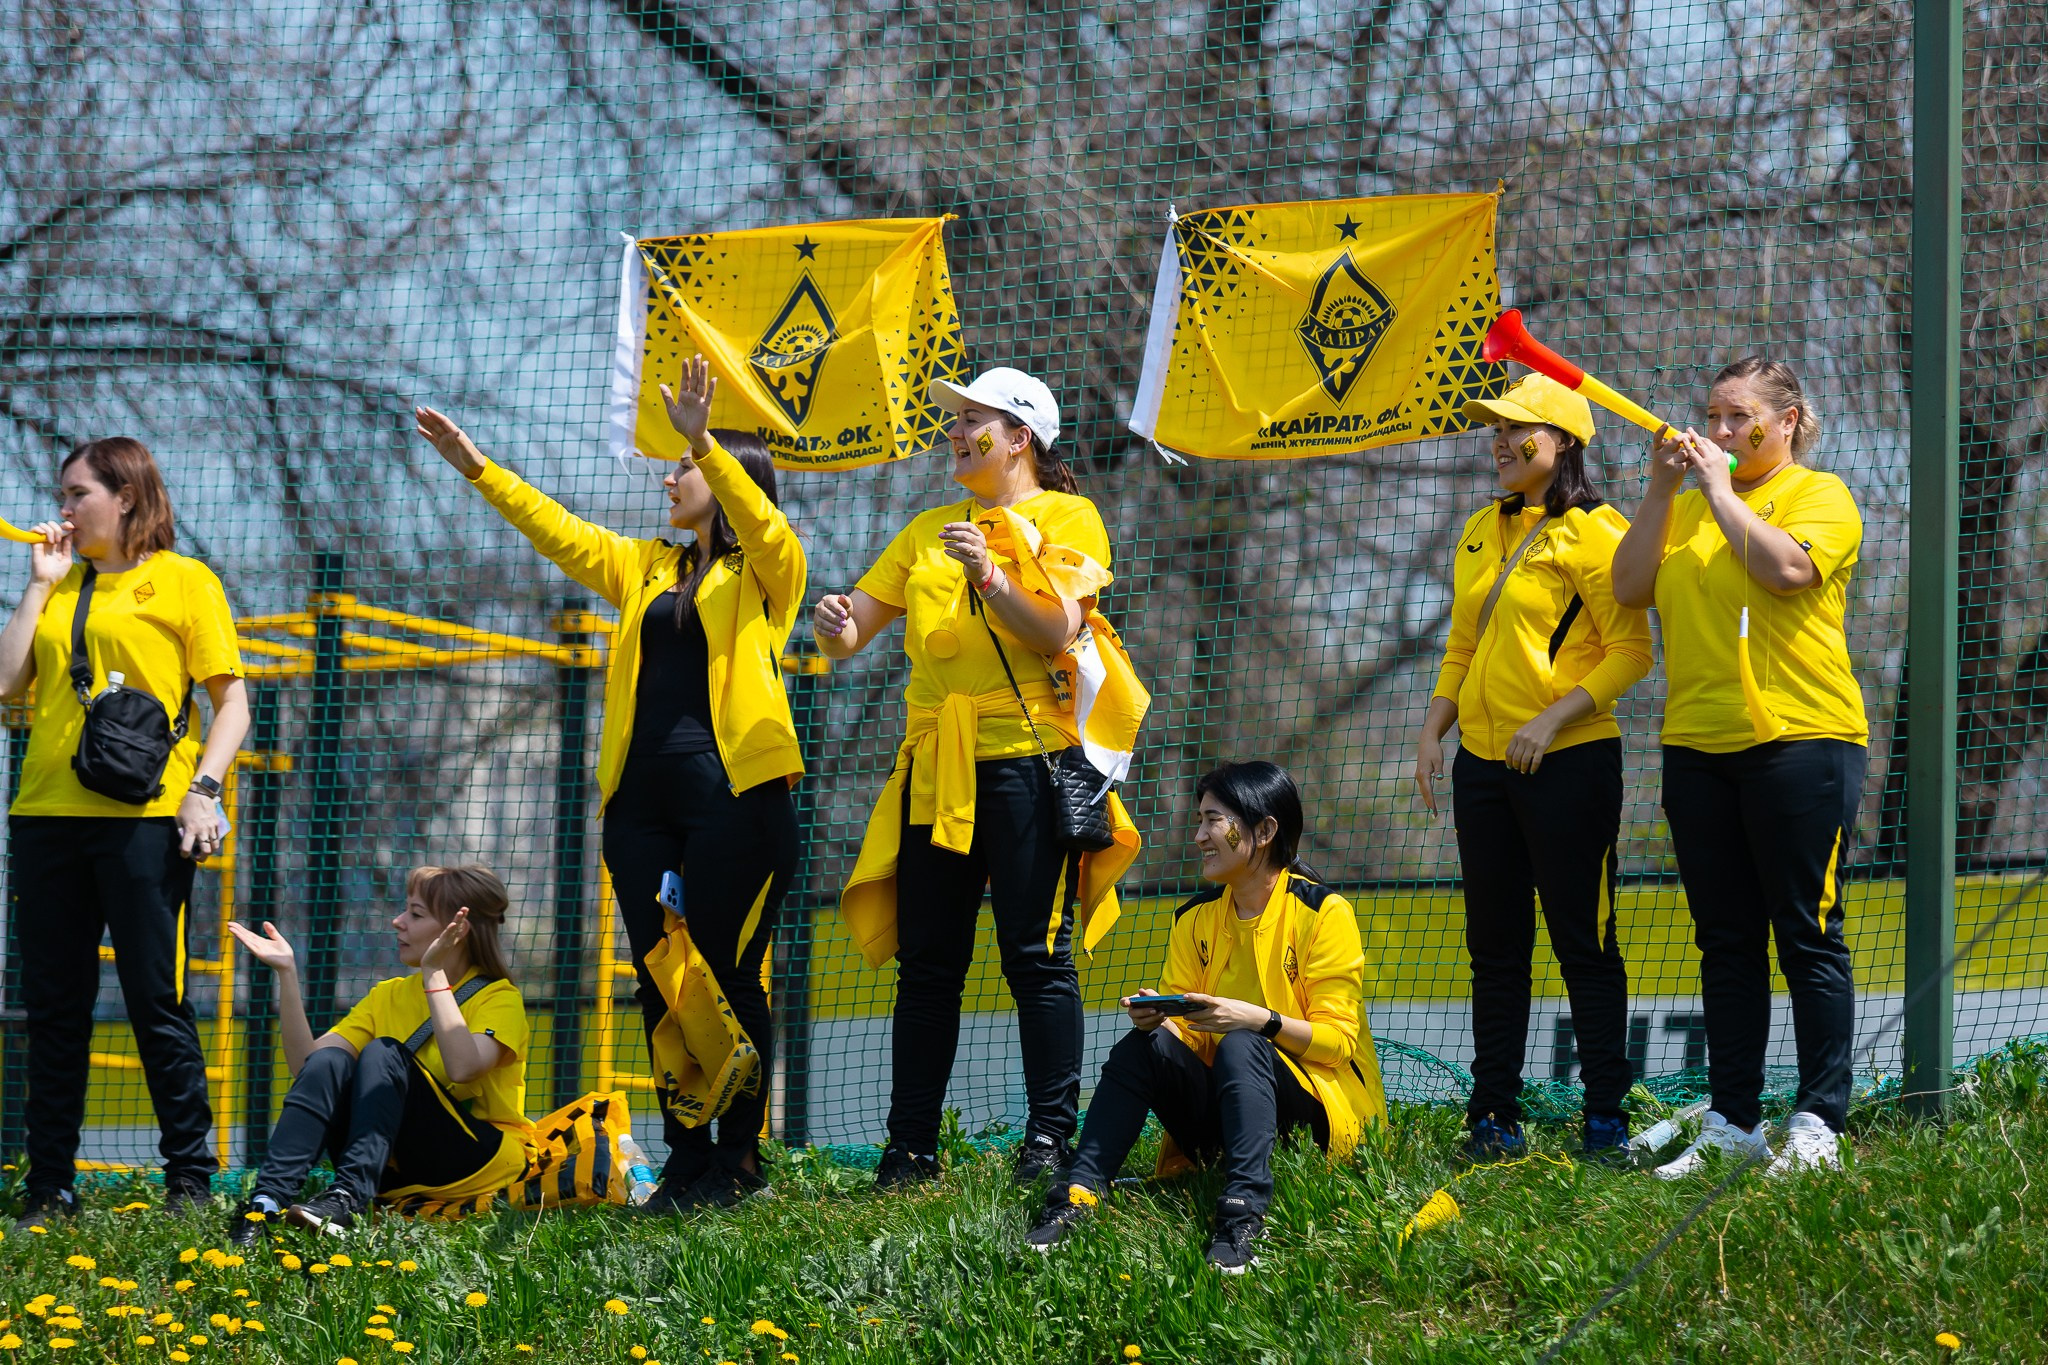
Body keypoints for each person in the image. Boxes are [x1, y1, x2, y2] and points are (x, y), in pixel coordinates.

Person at [413, 356, 803, 1212]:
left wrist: (709, 436)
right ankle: (687, 1159)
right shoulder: (644, 567)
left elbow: (768, 528)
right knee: (660, 980)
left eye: (684, 466)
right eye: (674, 462)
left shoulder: (768, 575)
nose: (670, 476)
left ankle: (739, 1163)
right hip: (640, 810)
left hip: (738, 803)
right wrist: (478, 469)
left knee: (729, 978)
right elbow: (556, 527)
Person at [815, 366, 1141, 1190]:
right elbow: (852, 632)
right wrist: (834, 621)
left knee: (1034, 955)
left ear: (1020, 436)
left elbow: (1056, 629)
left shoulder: (1070, 517)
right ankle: (910, 1149)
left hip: (1028, 766)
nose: (955, 432)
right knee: (929, 964)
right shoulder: (929, 526)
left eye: (973, 421)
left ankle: (1048, 1140)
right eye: (953, 421)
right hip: (938, 768)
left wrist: (992, 576)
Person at [1610, 358, 1865, 1178]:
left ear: (1785, 420)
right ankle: (1734, 1118)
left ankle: (1820, 1119)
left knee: (1806, 934)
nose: (1717, 432)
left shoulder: (1820, 495)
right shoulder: (1682, 509)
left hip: (1802, 740)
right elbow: (1627, 585)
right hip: (1696, 746)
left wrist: (1721, 494)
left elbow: (1788, 571)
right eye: (1710, 417)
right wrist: (1659, 491)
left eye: (1736, 416)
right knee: (1725, 943)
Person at [0, 438, 250, 1230]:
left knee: (156, 1000)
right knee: (54, 1007)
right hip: (45, 818)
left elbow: (232, 703)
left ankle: (190, 1182)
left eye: (79, 493)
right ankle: (49, 1189)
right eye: (63, 494)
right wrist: (36, 590)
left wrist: (203, 791)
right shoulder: (59, 580)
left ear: (128, 497)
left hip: (146, 822)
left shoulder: (183, 580)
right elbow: (5, 684)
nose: (65, 508)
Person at [1413, 374, 1653, 1162]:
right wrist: (1432, 730)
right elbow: (1462, 644)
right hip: (1481, 767)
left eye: (1519, 429)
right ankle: (1493, 1117)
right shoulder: (1482, 526)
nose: (1501, 442)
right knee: (1496, 948)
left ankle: (1606, 1118)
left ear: (1563, 442)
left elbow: (1632, 652)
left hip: (1571, 764)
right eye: (1495, 430)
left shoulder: (1599, 531)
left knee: (1584, 942)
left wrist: (1552, 720)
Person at [1024, 761, 1384, 1273]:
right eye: (1200, 821)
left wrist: (1259, 1020)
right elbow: (1185, 1031)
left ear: (1263, 831)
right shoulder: (1194, 918)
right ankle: (1076, 1196)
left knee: (1242, 1042)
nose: (1198, 837)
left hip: (1317, 1119)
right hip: (1224, 1112)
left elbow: (1338, 1043)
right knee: (1140, 1047)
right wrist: (1159, 1020)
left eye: (1213, 820)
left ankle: (1241, 1217)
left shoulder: (1325, 913)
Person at [224, 866, 532, 1241]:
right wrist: (286, 975)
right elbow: (310, 1068)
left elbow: (464, 1067)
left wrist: (434, 973)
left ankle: (347, 1198)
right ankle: (264, 1205)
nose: (398, 921)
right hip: (397, 1168)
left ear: (457, 930)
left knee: (384, 1053)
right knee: (332, 1060)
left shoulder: (500, 998)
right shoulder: (387, 994)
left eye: (415, 914)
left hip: (477, 1164)